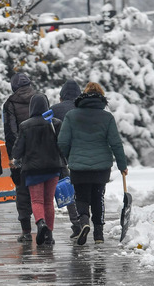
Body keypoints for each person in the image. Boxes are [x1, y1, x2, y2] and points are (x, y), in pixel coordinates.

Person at [57, 82, 128, 245]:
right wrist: (122, 165)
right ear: (102, 97)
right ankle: (99, 235)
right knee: (98, 196)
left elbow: (62, 141)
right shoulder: (107, 117)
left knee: (81, 197)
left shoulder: (71, 116)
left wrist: (69, 157)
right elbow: (115, 143)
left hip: (78, 165)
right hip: (101, 166)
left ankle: (84, 222)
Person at [11, 94, 65, 246]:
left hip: (33, 169)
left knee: (36, 200)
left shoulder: (25, 125)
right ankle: (50, 235)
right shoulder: (56, 123)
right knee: (49, 201)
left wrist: (15, 159)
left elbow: (17, 150)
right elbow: (62, 145)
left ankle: (41, 223)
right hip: (53, 168)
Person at [2, 72, 38, 242]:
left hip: (21, 154)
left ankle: (26, 231)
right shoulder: (40, 98)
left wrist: (14, 158)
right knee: (40, 193)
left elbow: (10, 132)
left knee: (22, 192)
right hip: (41, 152)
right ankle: (44, 226)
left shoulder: (9, 104)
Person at [50, 79, 83, 240]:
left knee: (67, 188)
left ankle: (76, 224)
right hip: (82, 153)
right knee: (84, 188)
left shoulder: (54, 109)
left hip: (60, 154)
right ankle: (85, 219)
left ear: (62, 96)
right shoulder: (84, 108)